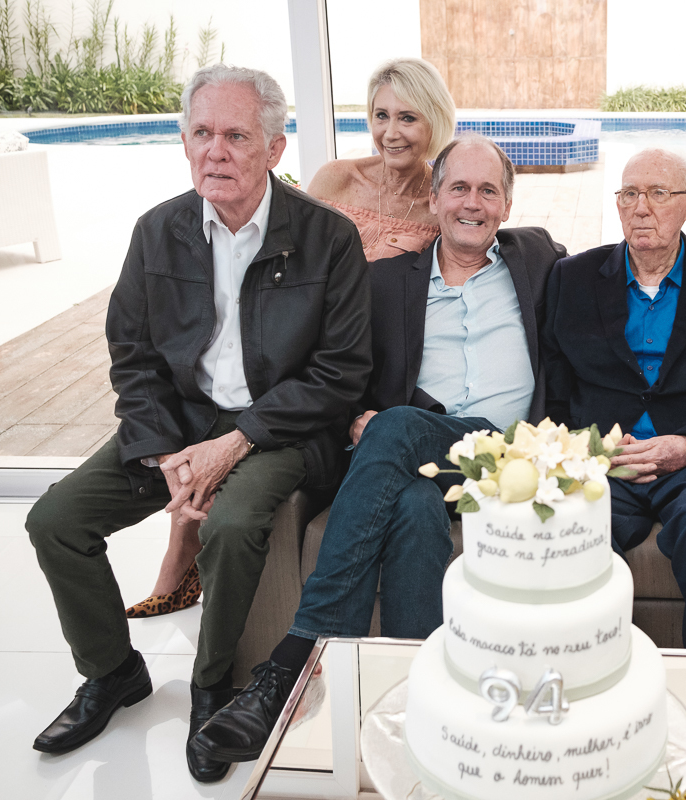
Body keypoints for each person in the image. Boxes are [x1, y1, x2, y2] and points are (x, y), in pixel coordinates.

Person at [25, 64, 372, 784]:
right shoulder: (158, 231)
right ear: (184, 141)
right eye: (201, 133)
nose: (215, 151)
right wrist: (163, 454)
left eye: (236, 136)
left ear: (274, 149)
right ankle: (112, 672)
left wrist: (235, 442)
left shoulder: (328, 237)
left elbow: (340, 372)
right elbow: (132, 354)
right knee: (56, 520)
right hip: (179, 422)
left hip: (280, 427)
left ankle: (212, 684)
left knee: (233, 524)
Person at [189, 134, 567, 765]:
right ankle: (413, 704)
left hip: (510, 456)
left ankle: (296, 660)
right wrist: (355, 420)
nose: (472, 203)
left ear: (506, 205)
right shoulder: (385, 281)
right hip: (422, 455)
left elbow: (632, 268)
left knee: (395, 428)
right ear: (434, 198)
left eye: (488, 191)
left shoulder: (539, 259)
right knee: (412, 504)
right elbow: (335, 369)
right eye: (458, 188)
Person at [128, 57, 455, 619]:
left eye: (409, 118)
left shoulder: (441, 200)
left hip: (376, 361)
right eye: (380, 115)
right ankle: (183, 546)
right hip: (308, 344)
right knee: (213, 402)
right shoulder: (336, 179)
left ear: (435, 122)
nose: (391, 132)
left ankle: (201, 555)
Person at [543, 148, 686, 651]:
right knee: (568, 522)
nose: (640, 208)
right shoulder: (572, 278)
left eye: (657, 194)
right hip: (605, 459)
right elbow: (555, 394)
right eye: (629, 194)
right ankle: (590, 672)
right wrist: (590, 449)